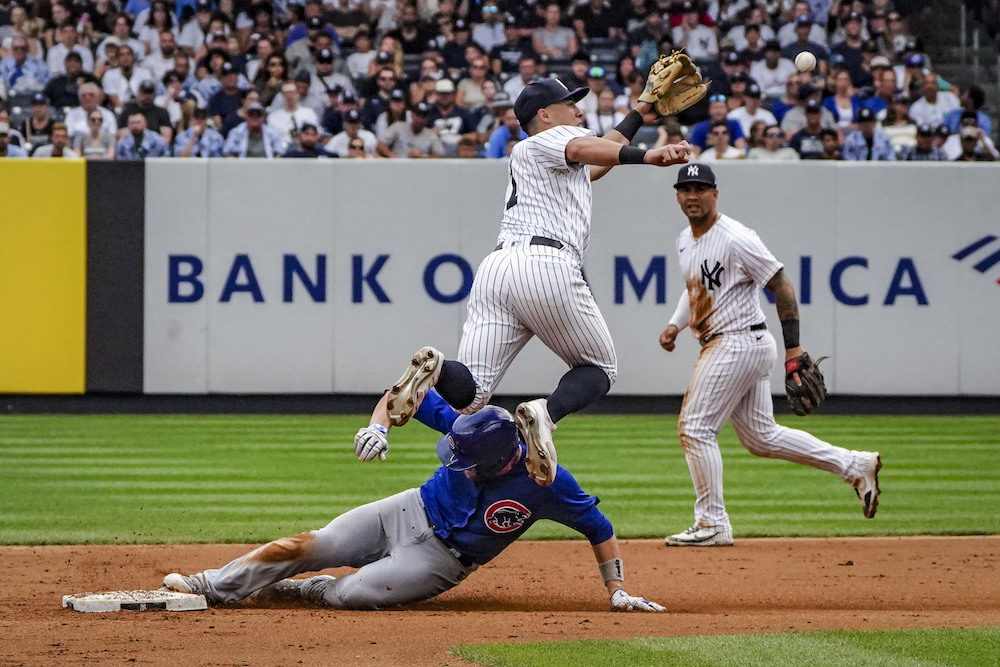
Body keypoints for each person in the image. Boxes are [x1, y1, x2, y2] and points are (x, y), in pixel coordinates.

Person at [356, 77, 691, 489]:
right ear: (545, 115)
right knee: (600, 368)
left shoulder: (546, 157)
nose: (579, 111)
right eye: (570, 104)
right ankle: (543, 416)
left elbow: (598, 156)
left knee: (472, 397)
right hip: (546, 263)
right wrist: (650, 155)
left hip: (498, 269)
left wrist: (641, 111)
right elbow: (587, 147)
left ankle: (437, 367)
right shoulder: (547, 141)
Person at [163, 392, 663, 612]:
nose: (455, 458)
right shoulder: (467, 429)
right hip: (406, 509)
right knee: (312, 543)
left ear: (494, 461)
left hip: (442, 560)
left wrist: (616, 589)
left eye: (464, 459)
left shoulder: (547, 482)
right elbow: (405, 390)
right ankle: (210, 585)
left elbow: (599, 527)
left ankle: (311, 592)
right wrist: (378, 424)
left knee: (353, 595)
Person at [657, 163, 882, 547]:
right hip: (737, 343)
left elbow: (781, 285)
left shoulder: (736, 237)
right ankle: (855, 465)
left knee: (695, 428)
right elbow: (695, 288)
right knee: (761, 437)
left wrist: (795, 346)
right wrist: (676, 324)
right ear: (677, 195)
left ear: (715, 193)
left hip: (736, 341)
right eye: (685, 189)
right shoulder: (685, 239)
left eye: (700, 188)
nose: (692, 195)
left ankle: (712, 522)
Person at [377, 101, 444, 158]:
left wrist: (423, 156)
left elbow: (440, 155)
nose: (419, 119)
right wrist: (393, 156)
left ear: (427, 119)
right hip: (397, 165)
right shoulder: (398, 127)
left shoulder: (431, 134)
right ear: (412, 115)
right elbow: (380, 146)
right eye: (417, 115)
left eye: (423, 116)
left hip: (420, 168)